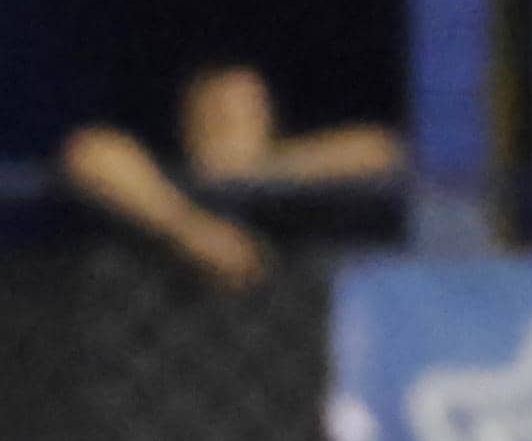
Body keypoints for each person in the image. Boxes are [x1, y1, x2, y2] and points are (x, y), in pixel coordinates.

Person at [54, 60, 400, 290]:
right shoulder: (164, 187)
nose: (231, 129)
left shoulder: (288, 197)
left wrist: (268, 168)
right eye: (218, 115)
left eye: (246, 115)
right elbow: (88, 153)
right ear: (189, 122)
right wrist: (191, 232)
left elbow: (380, 151)